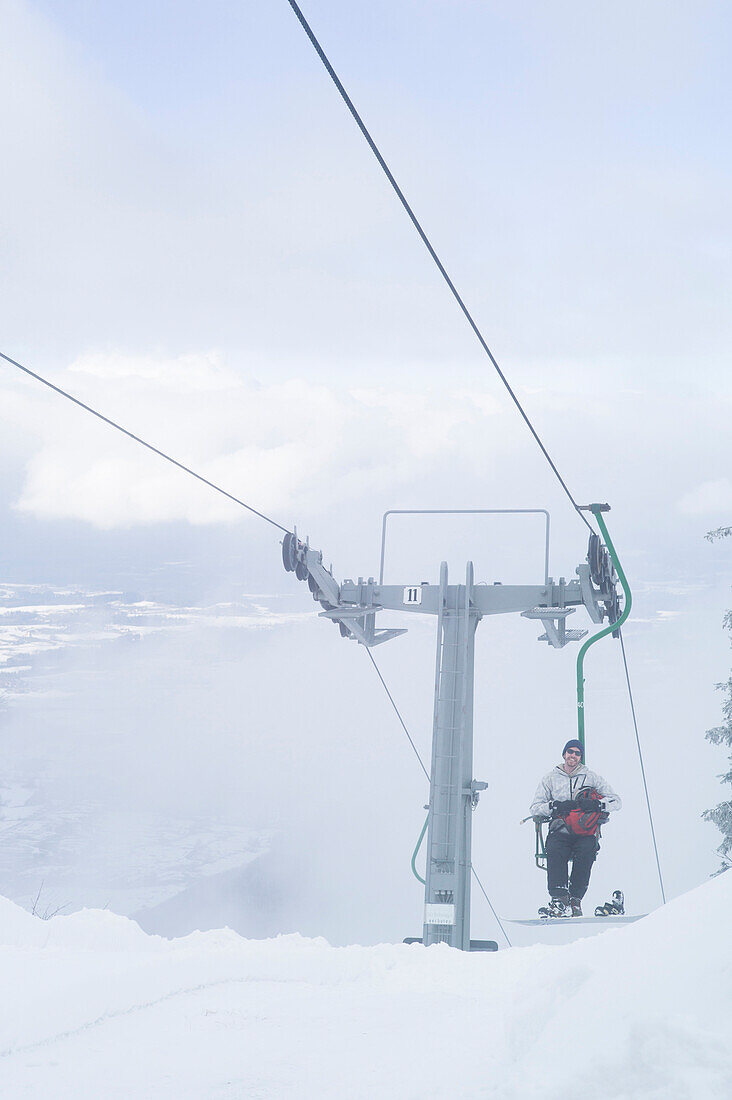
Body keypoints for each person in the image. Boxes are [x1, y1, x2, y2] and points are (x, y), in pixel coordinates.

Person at [529, 739, 621, 917]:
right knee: (555, 849)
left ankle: (575, 899)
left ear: (581, 757)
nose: (573, 755)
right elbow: (535, 807)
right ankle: (560, 899)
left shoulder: (591, 778)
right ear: (564, 754)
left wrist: (596, 805)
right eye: (570, 752)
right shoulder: (550, 779)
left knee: (587, 850)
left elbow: (616, 801)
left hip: (584, 830)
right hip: (561, 828)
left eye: (577, 753)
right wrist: (554, 807)